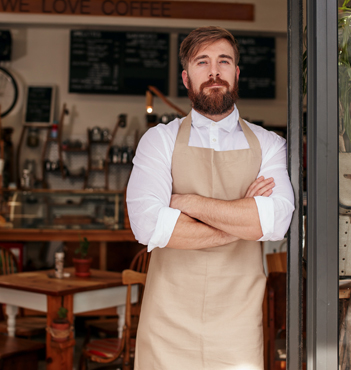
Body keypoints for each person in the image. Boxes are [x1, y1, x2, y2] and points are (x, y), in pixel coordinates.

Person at [126, 26, 295, 370]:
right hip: (166, 324)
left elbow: (276, 222)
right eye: (202, 62)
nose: (214, 71)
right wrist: (244, 220)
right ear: (186, 78)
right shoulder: (159, 140)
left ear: (236, 74)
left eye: (224, 61)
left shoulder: (270, 144)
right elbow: (147, 226)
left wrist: (187, 202)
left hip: (238, 324)